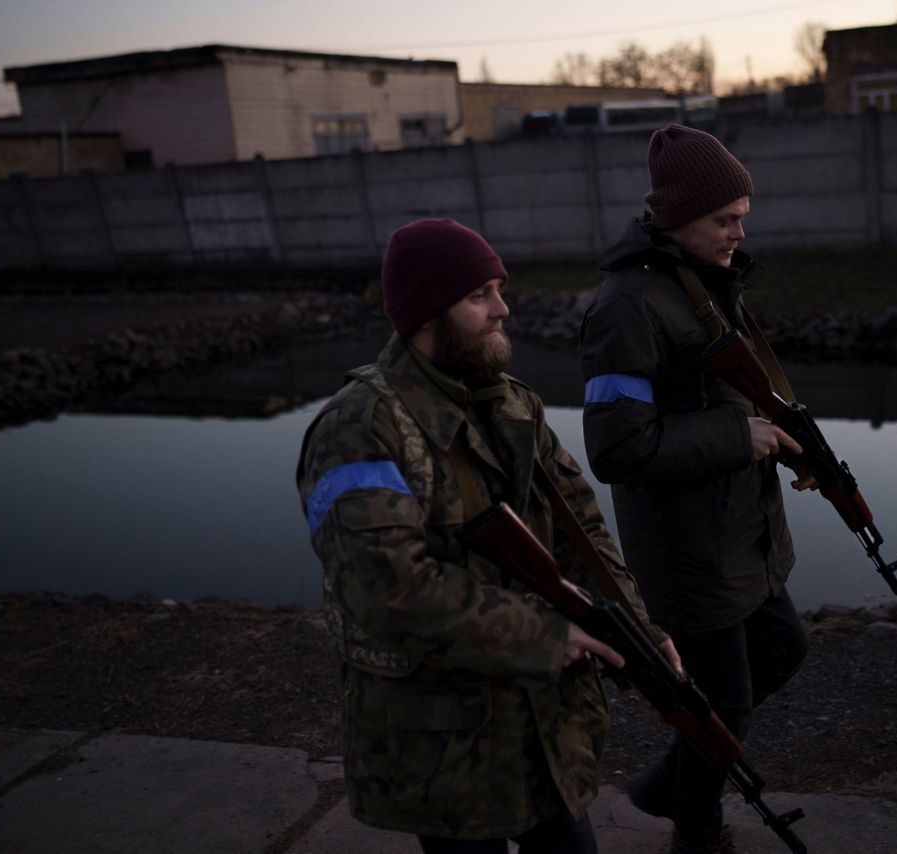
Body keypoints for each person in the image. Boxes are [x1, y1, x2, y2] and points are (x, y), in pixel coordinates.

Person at [296, 218, 678, 853]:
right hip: (442, 738)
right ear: (426, 315)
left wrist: (639, 632)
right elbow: (390, 592)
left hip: (539, 721)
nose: (504, 309)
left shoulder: (513, 404)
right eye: (479, 296)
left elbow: (581, 533)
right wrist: (545, 634)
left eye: (500, 289)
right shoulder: (357, 429)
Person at [578, 125, 812, 854]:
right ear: (677, 217)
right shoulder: (626, 307)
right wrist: (739, 438)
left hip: (742, 534)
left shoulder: (705, 283)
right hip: (688, 550)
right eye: (725, 218)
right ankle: (697, 828)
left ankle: (663, 787)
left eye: (742, 215)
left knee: (783, 652)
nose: (741, 232)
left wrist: (782, 436)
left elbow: (730, 393)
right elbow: (615, 447)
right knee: (726, 708)